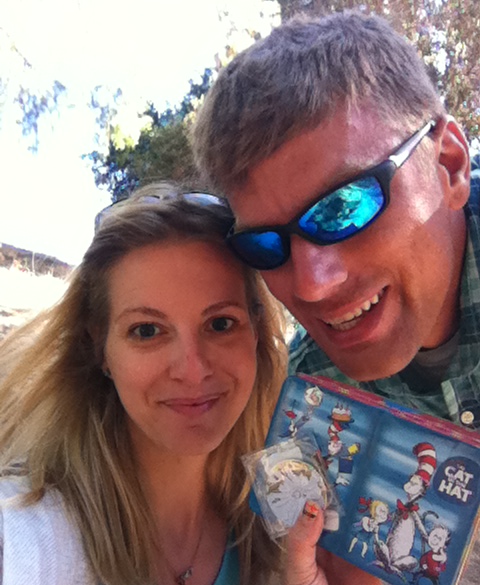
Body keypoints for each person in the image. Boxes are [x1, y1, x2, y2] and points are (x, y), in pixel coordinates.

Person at [0, 184, 381, 585]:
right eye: (147, 331)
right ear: (99, 348)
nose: (192, 369)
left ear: (257, 334)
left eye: (220, 324)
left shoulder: (283, 529)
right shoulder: (23, 533)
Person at [192, 10, 480, 431]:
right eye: (265, 245)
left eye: (345, 207)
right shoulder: (308, 402)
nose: (312, 285)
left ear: (450, 166)